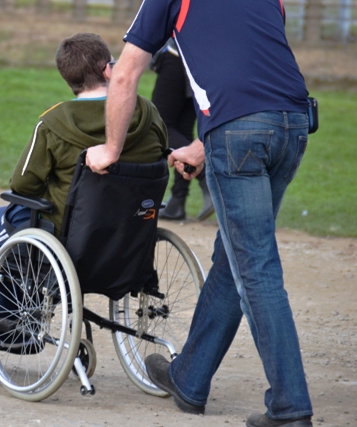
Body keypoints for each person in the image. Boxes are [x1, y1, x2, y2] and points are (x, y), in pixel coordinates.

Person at [85, 1, 314, 426]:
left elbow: (125, 73)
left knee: (256, 269)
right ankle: (189, 379)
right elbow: (253, 70)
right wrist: (204, 145)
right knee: (237, 260)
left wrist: (111, 150)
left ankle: (290, 408)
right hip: (293, 123)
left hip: (239, 130)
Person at [0, 32, 168, 346]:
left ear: (69, 78)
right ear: (109, 70)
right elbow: (162, 156)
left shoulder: (54, 123)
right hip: (132, 235)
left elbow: (23, 184)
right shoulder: (148, 114)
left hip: (72, 239)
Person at [149, 38, 214, 221]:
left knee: (159, 126)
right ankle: (177, 201)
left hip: (178, 55)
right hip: (203, 62)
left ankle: (206, 177)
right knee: (182, 129)